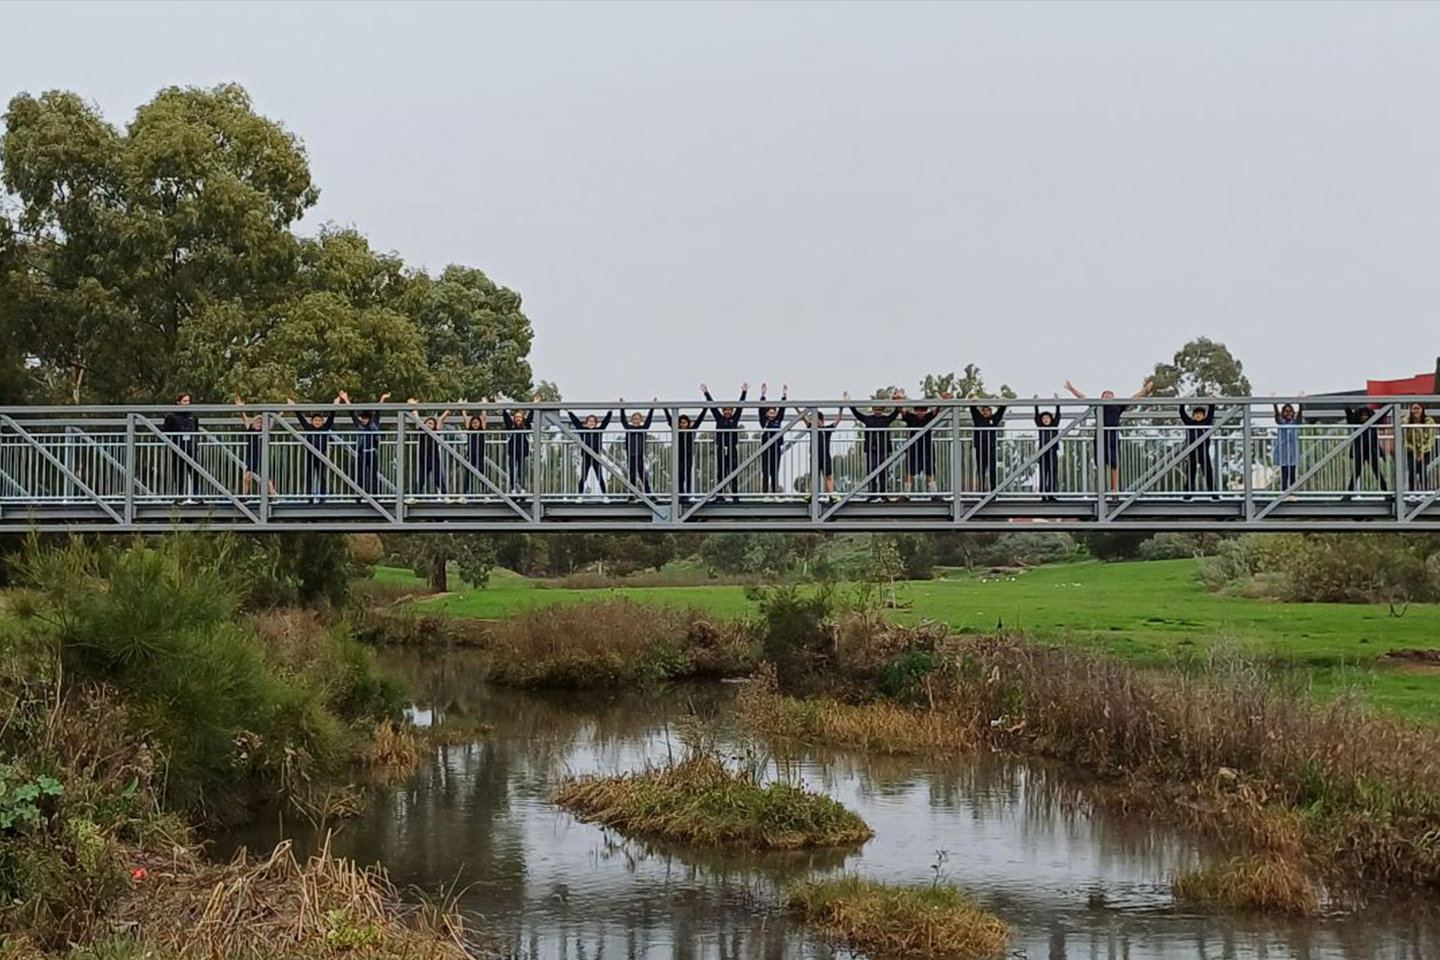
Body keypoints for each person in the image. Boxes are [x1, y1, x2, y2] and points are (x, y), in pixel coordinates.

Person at [1064, 378, 1155, 493]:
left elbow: (1133, 398)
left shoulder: (1118, 405)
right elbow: (1083, 398)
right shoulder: (1098, 406)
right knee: (1101, 463)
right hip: (1101, 437)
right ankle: (1101, 489)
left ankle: (1114, 489)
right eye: (1105, 394)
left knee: (1114, 463)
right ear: (1101, 398)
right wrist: (1071, 389)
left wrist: (1145, 391)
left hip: (1113, 436)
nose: (1108, 395)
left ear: (1114, 397)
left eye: (1110, 394)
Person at [287, 397, 340, 502]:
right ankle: (309, 498)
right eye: (315, 420)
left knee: (322, 476)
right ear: (312, 422)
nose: (317, 422)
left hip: (321, 455)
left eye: (319, 420)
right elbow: (301, 418)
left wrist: (335, 405)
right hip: (310, 455)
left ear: (322, 422)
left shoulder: (325, 428)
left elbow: (331, 418)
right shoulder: (309, 428)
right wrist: (294, 407)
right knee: (309, 476)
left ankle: (322, 498)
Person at [338, 389, 390, 496]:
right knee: (360, 475)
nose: (363, 420)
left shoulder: (373, 425)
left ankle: (375, 495)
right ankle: (359, 496)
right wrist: (346, 399)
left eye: (366, 418)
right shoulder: (360, 425)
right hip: (362, 453)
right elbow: (352, 413)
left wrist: (382, 399)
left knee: (373, 475)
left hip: (371, 453)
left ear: (369, 419)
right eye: (363, 418)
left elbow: (378, 411)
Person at [898, 389, 949, 494]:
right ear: (915, 410)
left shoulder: (928, 417)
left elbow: (936, 410)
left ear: (925, 411)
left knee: (930, 471)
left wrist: (942, 399)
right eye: (918, 410)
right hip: (913, 449)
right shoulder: (910, 417)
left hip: (927, 448)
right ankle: (906, 494)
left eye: (923, 410)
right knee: (909, 471)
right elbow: (901, 410)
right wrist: (900, 399)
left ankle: (933, 493)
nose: (920, 412)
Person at [703, 382, 747, 499]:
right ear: (723, 411)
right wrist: (706, 393)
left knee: (733, 472)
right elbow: (712, 407)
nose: (727, 412)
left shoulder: (735, 419)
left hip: (732, 448)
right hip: (721, 448)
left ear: (732, 412)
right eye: (725, 411)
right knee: (721, 472)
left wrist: (744, 392)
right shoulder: (719, 418)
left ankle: (735, 495)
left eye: (729, 411)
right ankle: (720, 495)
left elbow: (740, 407)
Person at [849, 395, 900, 495]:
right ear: (873, 410)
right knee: (871, 472)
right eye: (876, 409)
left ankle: (883, 493)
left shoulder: (886, 419)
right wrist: (849, 403)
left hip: (884, 450)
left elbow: (895, 413)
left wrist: (898, 401)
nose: (878, 411)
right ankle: (872, 493)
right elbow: (857, 414)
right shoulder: (868, 419)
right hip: (872, 450)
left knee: (883, 473)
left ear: (883, 410)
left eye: (880, 409)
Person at [801, 396, 847, 495]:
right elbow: (803, 418)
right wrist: (796, 407)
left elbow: (838, 420)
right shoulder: (811, 428)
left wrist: (841, 408)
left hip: (825, 456)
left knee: (828, 475)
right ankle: (810, 494)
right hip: (814, 456)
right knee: (813, 476)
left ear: (821, 420)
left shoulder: (827, 429)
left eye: (815, 420)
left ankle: (830, 493)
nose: (813, 422)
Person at [234, 397, 277, 498]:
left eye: (261, 423)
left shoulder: (264, 431)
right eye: (257, 422)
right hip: (251, 456)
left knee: (266, 478)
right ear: (253, 423)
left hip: (262, 456)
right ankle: (245, 496)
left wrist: (285, 410)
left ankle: (274, 495)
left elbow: (275, 420)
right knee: (247, 477)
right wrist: (241, 408)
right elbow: (244, 419)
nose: (258, 424)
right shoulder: (250, 430)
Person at [162, 392, 201, 502]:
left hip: (190, 446)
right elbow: (166, 432)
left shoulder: (193, 416)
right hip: (177, 447)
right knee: (178, 471)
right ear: (178, 402)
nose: (187, 404)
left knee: (194, 470)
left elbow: (196, 429)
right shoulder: (171, 416)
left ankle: (196, 494)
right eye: (184, 401)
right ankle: (179, 495)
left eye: (188, 401)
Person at [409, 402, 452, 498]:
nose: (429, 425)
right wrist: (414, 408)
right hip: (423, 458)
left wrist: (446, 411)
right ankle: (414, 496)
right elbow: (417, 420)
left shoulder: (435, 432)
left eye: (432, 423)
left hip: (434, 458)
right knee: (421, 479)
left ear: (434, 426)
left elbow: (440, 420)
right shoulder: (421, 430)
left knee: (438, 477)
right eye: (428, 423)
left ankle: (445, 495)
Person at [1344, 403, 1388, 496]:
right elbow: (1349, 415)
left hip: (1371, 450)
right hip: (1359, 451)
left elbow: (1382, 415)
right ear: (1358, 416)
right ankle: (1348, 493)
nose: (1364, 417)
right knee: (1356, 472)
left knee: (1377, 472)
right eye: (1362, 415)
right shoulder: (1355, 423)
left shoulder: (1373, 422)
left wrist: (1387, 406)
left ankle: (1386, 492)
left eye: (1366, 415)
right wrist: (1347, 405)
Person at [567, 409, 613, 495]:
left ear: (596, 423)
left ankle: (605, 496)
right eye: (589, 421)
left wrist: (610, 412)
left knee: (600, 477)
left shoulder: (599, 431)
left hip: (596, 457)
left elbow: (605, 422)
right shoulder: (583, 430)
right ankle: (579, 495)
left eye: (593, 421)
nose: (591, 423)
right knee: (583, 477)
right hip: (586, 457)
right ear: (587, 422)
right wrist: (569, 412)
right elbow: (576, 421)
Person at [663, 406, 706, 497]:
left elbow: (699, 421)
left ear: (688, 423)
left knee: (688, 474)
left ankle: (688, 493)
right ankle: (681, 494)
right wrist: (665, 409)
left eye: (684, 423)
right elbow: (670, 419)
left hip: (688, 455)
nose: (683, 425)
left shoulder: (691, 430)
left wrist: (705, 409)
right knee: (680, 475)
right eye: (681, 423)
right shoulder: (676, 430)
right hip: (678, 455)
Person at [1178, 402, 1217, 496]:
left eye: (1200, 414)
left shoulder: (1206, 423)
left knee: (1208, 473)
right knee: (1191, 473)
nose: (1198, 416)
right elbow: (1183, 415)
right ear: (1193, 416)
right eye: (1196, 414)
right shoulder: (1190, 423)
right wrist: (1182, 404)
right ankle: (1188, 493)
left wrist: (1211, 403)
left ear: (1203, 416)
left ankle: (1214, 493)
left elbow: (1211, 414)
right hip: (1192, 452)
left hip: (1203, 452)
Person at [619, 398, 656, 495]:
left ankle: (649, 493)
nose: (636, 421)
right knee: (631, 475)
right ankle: (632, 494)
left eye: (638, 419)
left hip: (639, 455)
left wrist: (652, 407)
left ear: (641, 420)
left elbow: (649, 420)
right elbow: (623, 420)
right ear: (631, 420)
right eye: (634, 419)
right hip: (630, 454)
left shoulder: (643, 428)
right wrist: (622, 407)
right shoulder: (628, 428)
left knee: (642, 474)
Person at [970, 400, 1007, 492]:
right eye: (984, 410)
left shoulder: (994, 419)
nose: (986, 412)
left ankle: (993, 489)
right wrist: (975, 400)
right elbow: (972, 408)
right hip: (980, 448)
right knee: (981, 470)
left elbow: (1002, 409)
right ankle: (981, 490)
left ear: (991, 411)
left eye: (988, 410)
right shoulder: (978, 418)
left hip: (991, 448)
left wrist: (998, 402)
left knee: (992, 469)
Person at [757, 383, 788, 494]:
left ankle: (775, 493)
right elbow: (760, 410)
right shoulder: (764, 421)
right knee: (766, 472)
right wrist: (763, 395)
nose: (772, 414)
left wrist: (784, 396)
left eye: (773, 412)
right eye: (770, 412)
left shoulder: (778, 420)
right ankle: (765, 494)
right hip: (766, 449)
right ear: (767, 414)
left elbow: (782, 410)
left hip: (776, 449)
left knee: (775, 472)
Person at [457, 404, 490, 497]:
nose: (475, 424)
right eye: (473, 423)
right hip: (471, 455)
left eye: (476, 423)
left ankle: (485, 492)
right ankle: (466, 492)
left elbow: (484, 417)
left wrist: (484, 406)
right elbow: (465, 420)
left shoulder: (482, 430)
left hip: (480, 455)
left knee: (481, 473)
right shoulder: (469, 431)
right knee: (468, 474)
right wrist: (463, 411)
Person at [1272, 397, 1303, 493]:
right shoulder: (1282, 423)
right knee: (1284, 473)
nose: (1288, 413)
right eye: (1286, 411)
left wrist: (1301, 405)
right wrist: (1275, 404)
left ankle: (1292, 492)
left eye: (1290, 411)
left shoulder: (1295, 423)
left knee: (1292, 472)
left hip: (1292, 452)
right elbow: (1277, 417)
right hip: (1284, 451)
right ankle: (1284, 492)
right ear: (1283, 413)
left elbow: (1299, 417)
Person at [503, 401, 535, 494]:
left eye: (519, 417)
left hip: (522, 451)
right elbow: (506, 419)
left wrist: (533, 405)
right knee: (512, 470)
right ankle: (513, 488)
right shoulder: (511, 426)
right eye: (516, 417)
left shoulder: (526, 426)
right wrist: (503, 408)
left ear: (522, 419)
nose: (518, 419)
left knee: (521, 470)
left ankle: (522, 488)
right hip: (512, 451)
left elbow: (529, 418)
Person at [1404, 402, 1436, 493]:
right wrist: (1415, 452)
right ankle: (1411, 492)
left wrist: (1421, 452)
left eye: (1418, 408)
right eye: (1413, 408)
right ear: (1410, 410)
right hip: (1411, 450)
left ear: (1422, 410)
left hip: (1425, 450)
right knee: (1412, 470)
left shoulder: (1429, 421)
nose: (1416, 411)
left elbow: (1431, 438)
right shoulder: (1406, 421)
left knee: (1423, 470)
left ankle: (1424, 491)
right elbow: (1405, 439)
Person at [1033, 396, 1061, 498]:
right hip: (1043, 453)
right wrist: (1036, 404)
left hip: (1052, 453)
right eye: (1044, 418)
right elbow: (1036, 417)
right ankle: (1043, 494)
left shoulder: (1054, 426)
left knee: (1053, 473)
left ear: (1051, 419)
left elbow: (1058, 416)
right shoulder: (1041, 427)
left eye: (1047, 418)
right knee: (1043, 473)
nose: (1045, 420)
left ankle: (1052, 493)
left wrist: (1057, 403)